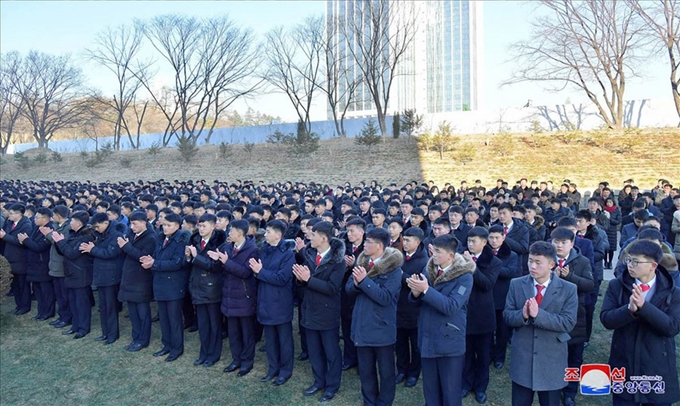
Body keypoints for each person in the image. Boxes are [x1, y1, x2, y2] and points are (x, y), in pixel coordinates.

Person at [600, 240, 680, 406]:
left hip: (657, 365)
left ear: (653, 265)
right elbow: (606, 319)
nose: (630, 265)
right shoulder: (617, 286)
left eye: (636, 261)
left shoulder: (673, 292)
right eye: (629, 260)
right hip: (624, 360)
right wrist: (629, 310)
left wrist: (644, 307)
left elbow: (672, 327)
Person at [504, 241, 578, 406]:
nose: (532, 266)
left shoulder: (568, 289)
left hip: (551, 361)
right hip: (523, 360)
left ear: (552, 264)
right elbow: (507, 315)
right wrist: (522, 316)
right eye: (530, 261)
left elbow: (568, 323)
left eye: (538, 262)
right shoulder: (516, 284)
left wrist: (539, 315)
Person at [406, 234, 474, 406]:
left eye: (438, 251)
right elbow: (416, 301)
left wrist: (426, 291)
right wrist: (415, 294)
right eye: (433, 250)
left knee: (450, 392)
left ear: (451, 256)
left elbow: (451, 306)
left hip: (449, 341)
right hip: (427, 338)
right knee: (430, 390)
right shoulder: (428, 269)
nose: (434, 255)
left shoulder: (464, 276)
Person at [345, 227, 402, 406]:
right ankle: (369, 402)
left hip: (381, 329)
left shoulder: (394, 269)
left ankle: (384, 403)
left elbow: (385, 298)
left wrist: (364, 282)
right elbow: (348, 289)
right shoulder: (362, 262)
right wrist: (356, 284)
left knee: (386, 373)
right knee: (366, 370)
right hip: (362, 326)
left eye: (368, 242)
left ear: (379, 245)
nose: (364, 244)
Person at [293, 221, 345, 402]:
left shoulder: (338, 260)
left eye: (313, 235)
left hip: (327, 313)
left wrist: (308, 280)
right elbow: (305, 281)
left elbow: (332, 288)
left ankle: (332, 385)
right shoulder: (310, 254)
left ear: (323, 238)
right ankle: (319, 381)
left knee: (331, 352)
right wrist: (300, 279)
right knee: (314, 350)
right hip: (309, 310)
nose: (309, 237)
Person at [550, 227, 594, 406]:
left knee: (574, 357)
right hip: (552, 315)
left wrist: (571, 277)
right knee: (554, 355)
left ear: (572, 244)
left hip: (575, 315)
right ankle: (555, 386)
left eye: (563, 242)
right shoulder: (546, 260)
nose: (559, 246)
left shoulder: (581, 261)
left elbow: (589, 285)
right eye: (556, 242)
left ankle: (570, 392)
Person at [249, 219, 296, 386]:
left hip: (280, 302)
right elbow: (259, 273)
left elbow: (282, 278)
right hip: (265, 300)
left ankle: (285, 370)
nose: (265, 234)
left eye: (268, 231)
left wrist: (260, 272)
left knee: (284, 339)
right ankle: (273, 368)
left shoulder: (288, 254)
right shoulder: (264, 251)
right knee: (269, 338)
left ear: (278, 235)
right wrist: (258, 273)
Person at [141, 213, 190, 362]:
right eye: (164, 225)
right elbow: (156, 255)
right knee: (163, 317)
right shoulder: (161, 238)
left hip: (173, 285)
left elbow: (177, 263)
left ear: (177, 226)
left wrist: (154, 264)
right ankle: (167, 344)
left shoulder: (181, 240)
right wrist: (152, 260)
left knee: (174, 319)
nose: (165, 228)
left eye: (169, 225)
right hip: (160, 283)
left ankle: (176, 348)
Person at [214, 219, 260, 377]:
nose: (229, 233)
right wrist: (218, 260)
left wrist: (226, 262)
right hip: (229, 295)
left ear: (240, 233)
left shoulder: (252, 250)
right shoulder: (227, 247)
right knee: (233, 331)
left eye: (231, 231)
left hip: (244, 296)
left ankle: (247, 361)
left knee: (246, 331)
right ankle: (236, 359)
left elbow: (246, 272)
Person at [462, 227, 501, 404]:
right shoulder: (461, 258)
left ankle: (480, 387)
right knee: (466, 353)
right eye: (469, 241)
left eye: (474, 242)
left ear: (484, 243)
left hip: (484, 315)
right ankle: (466, 383)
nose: (470, 245)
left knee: (483, 356)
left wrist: (472, 266)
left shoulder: (494, 261)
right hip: (465, 313)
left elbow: (487, 284)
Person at [186, 214, 226, 367]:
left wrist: (196, 257)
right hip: (197, 287)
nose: (201, 229)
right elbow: (192, 265)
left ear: (213, 227)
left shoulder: (220, 242)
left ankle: (214, 354)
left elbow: (216, 266)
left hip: (213, 288)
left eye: (204, 226)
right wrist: (189, 257)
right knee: (203, 324)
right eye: (200, 226)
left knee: (214, 324)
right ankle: (204, 352)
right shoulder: (195, 240)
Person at [80, 212, 125, 345]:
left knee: (110, 306)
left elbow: (110, 253)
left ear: (106, 223)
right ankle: (105, 332)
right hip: (101, 275)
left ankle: (112, 334)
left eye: (97, 226)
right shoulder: (99, 236)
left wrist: (92, 249)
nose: (96, 229)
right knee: (103, 306)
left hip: (111, 276)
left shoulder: (116, 235)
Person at [117, 211, 157, 352]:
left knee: (143, 312)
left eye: (135, 223)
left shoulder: (151, 238)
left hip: (141, 280)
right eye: (131, 223)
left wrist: (126, 247)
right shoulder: (131, 235)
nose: (132, 226)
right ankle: (136, 336)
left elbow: (143, 257)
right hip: (129, 277)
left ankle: (143, 339)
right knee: (132, 310)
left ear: (144, 223)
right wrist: (123, 247)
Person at [52, 211, 95, 339]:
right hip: (70, 273)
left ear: (79, 223)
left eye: (72, 221)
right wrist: (57, 241)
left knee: (82, 303)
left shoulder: (87, 237)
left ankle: (83, 328)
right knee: (73, 302)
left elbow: (72, 253)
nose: (70, 223)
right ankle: (75, 325)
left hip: (81, 274)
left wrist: (60, 242)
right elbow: (63, 252)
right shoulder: (73, 234)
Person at [395, 227, 429, 388]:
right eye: (404, 240)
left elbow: (418, 284)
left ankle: (414, 373)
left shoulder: (425, 260)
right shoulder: (398, 256)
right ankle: (401, 369)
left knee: (416, 344)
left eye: (408, 240)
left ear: (418, 242)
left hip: (416, 309)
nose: (405, 243)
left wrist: (402, 276)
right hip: (398, 306)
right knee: (400, 342)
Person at [488, 224, 520, 370]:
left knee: (502, 331)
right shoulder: (484, 253)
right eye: (491, 238)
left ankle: (499, 357)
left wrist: (493, 268)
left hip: (503, 296)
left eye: (497, 238)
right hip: (486, 297)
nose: (494, 241)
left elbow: (511, 272)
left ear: (503, 237)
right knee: (487, 330)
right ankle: (487, 354)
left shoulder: (511, 255)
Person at [19, 207, 55, 321]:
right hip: (34, 264)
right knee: (38, 290)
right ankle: (41, 311)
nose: (35, 219)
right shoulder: (37, 228)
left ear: (45, 218)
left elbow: (40, 247)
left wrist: (26, 240)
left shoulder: (50, 229)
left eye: (37, 217)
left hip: (43, 264)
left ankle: (48, 312)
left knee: (46, 291)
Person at [340, 217, 365, 371]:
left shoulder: (368, 247)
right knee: (347, 325)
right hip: (344, 290)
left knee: (360, 327)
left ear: (362, 232)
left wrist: (354, 265)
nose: (349, 234)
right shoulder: (343, 246)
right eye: (347, 230)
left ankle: (362, 360)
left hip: (361, 292)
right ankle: (349, 358)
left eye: (352, 231)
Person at [41, 205, 72, 329]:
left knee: (65, 295)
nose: (52, 218)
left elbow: (61, 243)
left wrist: (49, 235)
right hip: (54, 264)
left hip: (62, 266)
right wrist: (48, 235)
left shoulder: (68, 228)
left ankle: (67, 317)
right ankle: (62, 316)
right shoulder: (56, 226)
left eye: (54, 216)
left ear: (59, 215)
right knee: (59, 294)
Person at [0, 203, 33, 315]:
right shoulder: (9, 222)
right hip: (10, 257)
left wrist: (5, 237)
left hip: (21, 258)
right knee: (15, 284)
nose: (9, 215)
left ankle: (25, 306)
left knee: (23, 284)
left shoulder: (26, 225)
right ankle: (18, 305)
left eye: (12, 213)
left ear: (19, 214)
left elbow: (22, 242)